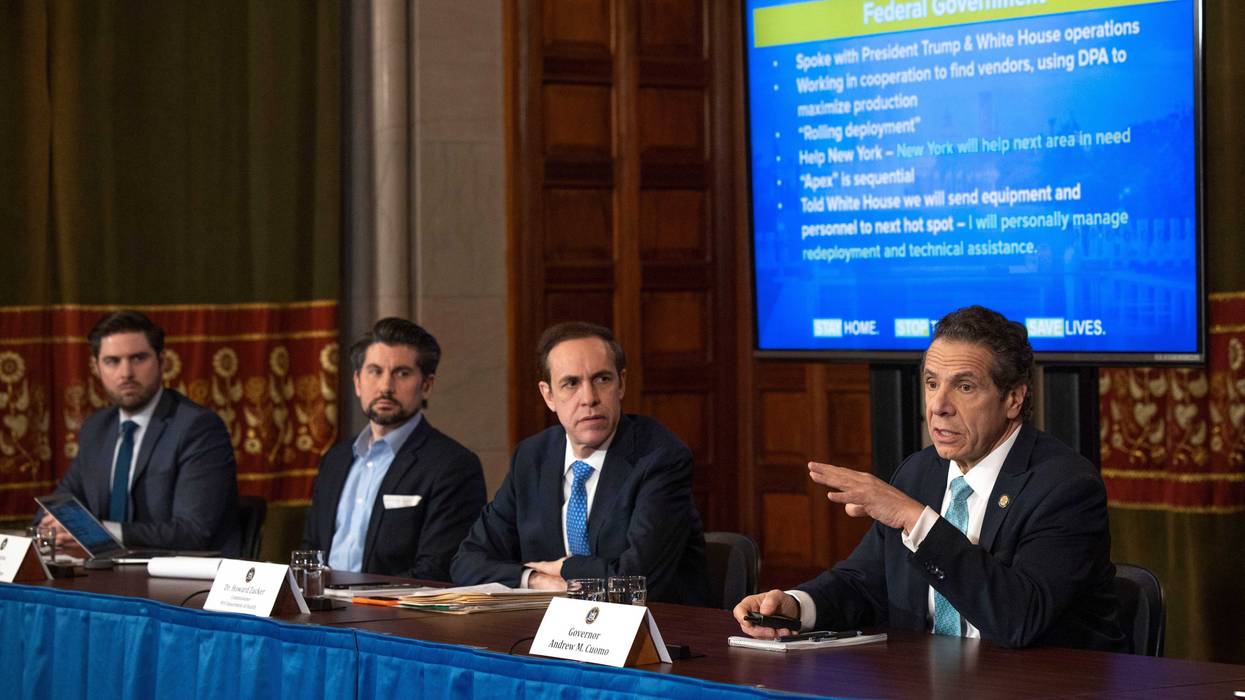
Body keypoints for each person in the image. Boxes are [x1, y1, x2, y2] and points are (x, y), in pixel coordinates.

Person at [734, 305, 1126, 650]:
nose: (938, 406)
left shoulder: (1064, 486)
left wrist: (917, 521)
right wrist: (795, 606)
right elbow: (865, 583)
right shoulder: (919, 472)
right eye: (932, 382)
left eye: (965, 387)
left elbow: (1020, 618)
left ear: (1013, 399)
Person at [451, 321, 709, 605]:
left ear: (621, 384)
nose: (589, 398)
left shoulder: (660, 458)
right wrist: (536, 580)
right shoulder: (532, 457)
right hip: (551, 631)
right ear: (548, 395)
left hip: (656, 633)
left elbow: (637, 581)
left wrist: (564, 569)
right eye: (571, 383)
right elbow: (468, 561)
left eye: (602, 380)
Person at [40, 310, 240, 555]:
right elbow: (62, 500)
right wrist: (53, 522)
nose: (126, 373)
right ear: (95, 367)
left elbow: (193, 531)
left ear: (162, 360)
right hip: (105, 574)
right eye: (112, 361)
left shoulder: (198, 427)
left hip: (176, 581)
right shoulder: (96, 428)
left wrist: (101, 532)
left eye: (138, 358)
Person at [301, 317, 485, 581]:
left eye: (402, 373)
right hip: (321, 612)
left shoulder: (453, 466)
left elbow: (436, 570)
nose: (385, 386)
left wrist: (353, 600)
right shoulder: (335, 459)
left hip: (394, 617)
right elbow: (310, 551)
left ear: (426, 386)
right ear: (357, 382)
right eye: (375, 371)